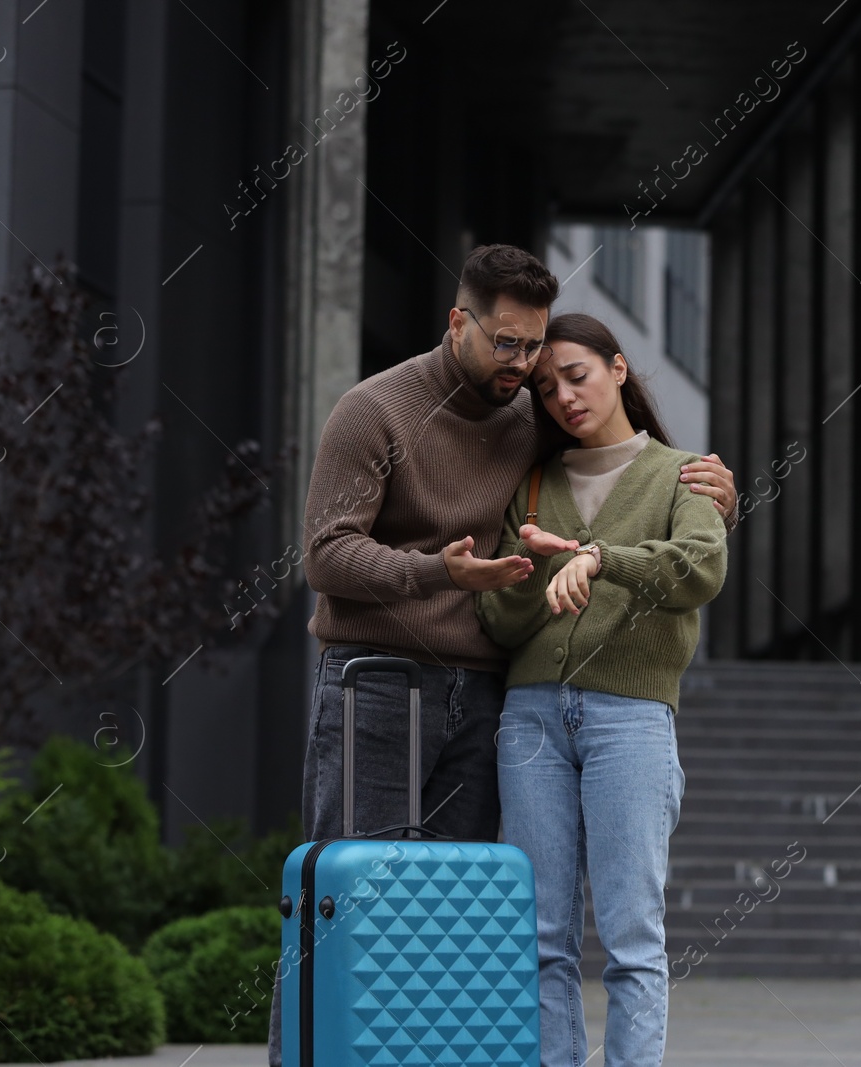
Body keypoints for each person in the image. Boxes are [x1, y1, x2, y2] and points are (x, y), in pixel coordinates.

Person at [267, 246, 737, 1066]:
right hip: (377, 683)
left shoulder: (535, 424)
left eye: (541, 349)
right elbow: (325, 556)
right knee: (350, 903)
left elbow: (641, 495)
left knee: (458, 921)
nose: (531, 371)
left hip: (484, 694)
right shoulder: (372, 410)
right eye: (509, 345)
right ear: (460, 323)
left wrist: (716, 498)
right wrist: (431, 572)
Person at [477, 312, 728, 1067]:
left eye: (577, 375)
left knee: (631, 937)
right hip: (530, 720)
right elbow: (496, 617)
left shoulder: (683, 474)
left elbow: (699, 569)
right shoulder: (529, 484)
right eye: (547, 388)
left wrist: (599, 557)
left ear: (620, 369)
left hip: (631, 718)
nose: (563, 398)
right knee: (540, 935)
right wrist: (530, 571)